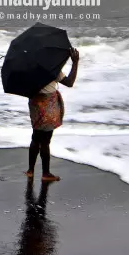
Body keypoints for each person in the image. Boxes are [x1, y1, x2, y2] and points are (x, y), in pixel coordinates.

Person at [25, 48, 79, 182]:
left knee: (35, 137)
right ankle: (46, 173)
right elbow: (69, 82)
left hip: (35, 104)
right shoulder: (52, 69)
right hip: (48, 104)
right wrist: (75, 62)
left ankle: (30, 170)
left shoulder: (29, 69)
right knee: (45, 141)